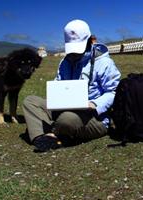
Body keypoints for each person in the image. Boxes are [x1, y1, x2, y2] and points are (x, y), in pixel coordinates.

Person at [22, 19, 121, 152]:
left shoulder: (104, 63)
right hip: (64, 108)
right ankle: (42, 138)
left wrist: (94, 104)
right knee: (31, 101)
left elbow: (114, 91)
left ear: (90, 41)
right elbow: (59, 83)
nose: (74, 54)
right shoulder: (65, 62)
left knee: (67, 119)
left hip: (93, 117)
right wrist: (55, 98)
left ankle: (51, 131)